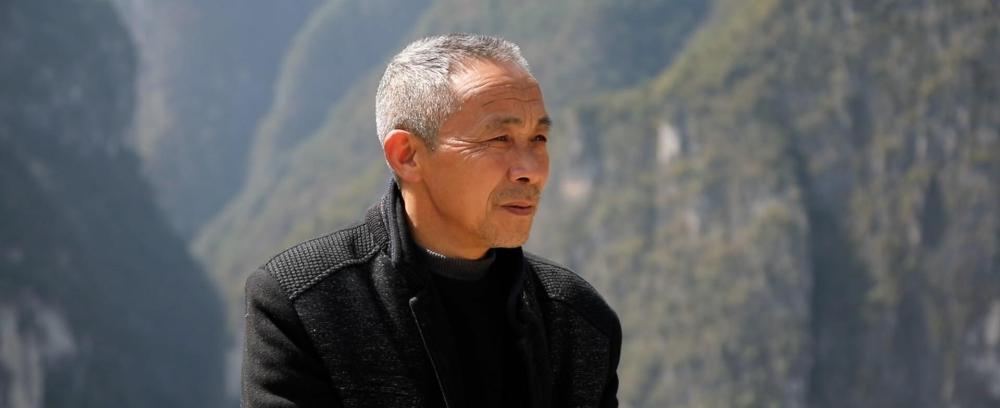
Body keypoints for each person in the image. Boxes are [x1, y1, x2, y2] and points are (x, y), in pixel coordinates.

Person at [242, 33, 621, 408]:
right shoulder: (307, 304)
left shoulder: (577, 320)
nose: (531, 171)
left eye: (538, 138)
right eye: (499, 139)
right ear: (407, 155)